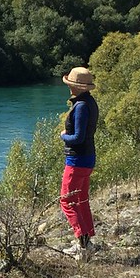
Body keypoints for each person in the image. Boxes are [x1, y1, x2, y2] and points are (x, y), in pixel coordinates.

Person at [59, 67, 99, 261]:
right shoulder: (90, 102)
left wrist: (64, 136)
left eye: (71, 85)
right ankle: (88, 241)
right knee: (81, 200)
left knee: (67, 200)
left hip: (77, 160)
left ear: (76, 87)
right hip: (88, 158)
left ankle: (82, 244)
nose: (69, 88)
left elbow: (78, 137)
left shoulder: (81, 106)